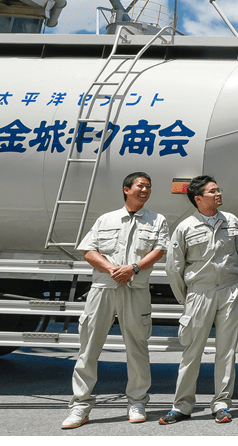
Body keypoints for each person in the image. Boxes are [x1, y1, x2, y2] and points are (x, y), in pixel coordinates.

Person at [63, 172, 168, 430]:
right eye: (140, 186)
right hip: (103, 288)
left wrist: (132, 268)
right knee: (89, 349)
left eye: (148, 187)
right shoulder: (105, 219)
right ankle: (80, 406)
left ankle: (137, 402)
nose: (145, 190)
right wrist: (113, 270)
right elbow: (89, 250)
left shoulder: (157, 220)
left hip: (135, 288)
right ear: (126, 189)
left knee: (137, 347)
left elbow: (159, 250)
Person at [159, 175, 238, 425]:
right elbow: (174, 268)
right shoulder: (185, 227)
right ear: (198, 198)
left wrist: (234, 285)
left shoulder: (231, 221)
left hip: (228, 291)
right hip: (199, 293)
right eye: (212, 191)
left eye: (218, 190)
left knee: (226, 351)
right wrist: (188, 298)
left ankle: (221, 404)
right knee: (191, 351)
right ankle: (182, 406)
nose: (218, 194)